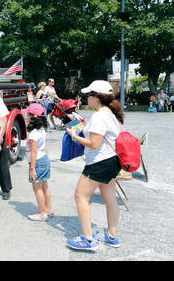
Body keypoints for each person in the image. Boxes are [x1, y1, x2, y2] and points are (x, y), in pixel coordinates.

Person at [66, 80, 123, 251]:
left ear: (97, 97)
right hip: (112, 161)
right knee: (110, 199)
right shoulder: (111, 114)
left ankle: (87, 239)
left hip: (99, 162)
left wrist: (74, 135)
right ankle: (111, 236)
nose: (87, 98)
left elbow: (94, 144)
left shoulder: (99, 116)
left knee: (80, 196)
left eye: (89, 95)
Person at [22, 103, 53, 221]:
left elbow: (34, 152)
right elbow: (44, 147)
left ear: (33, 116)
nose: (26, 116)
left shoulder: (33, 134)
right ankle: (48, 210)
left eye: (28, 114)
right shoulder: (41, 130)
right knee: (45, 186)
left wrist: (32, 168)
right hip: (44, 159)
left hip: (37, 162)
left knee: (37, 188)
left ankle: (42, 213)